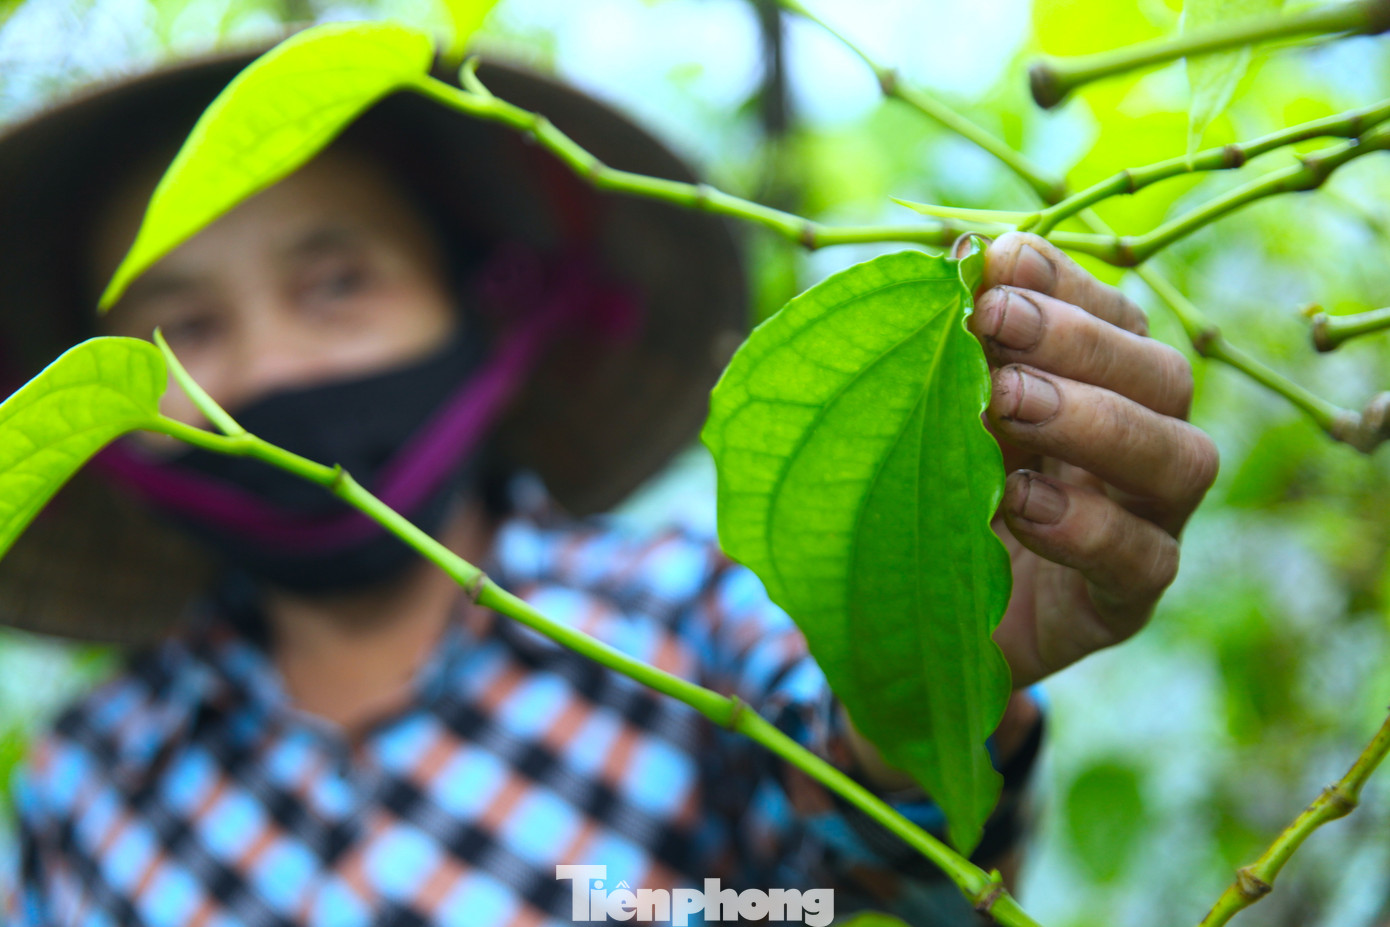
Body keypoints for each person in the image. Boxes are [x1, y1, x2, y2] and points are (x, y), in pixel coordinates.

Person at [0, 27, 1217, 927]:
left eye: (336, 284)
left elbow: (888, 873)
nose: (263, 365)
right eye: (177, 333)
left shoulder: (691, 627)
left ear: (483, 306)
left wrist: (919, 649)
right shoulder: (83, 785)